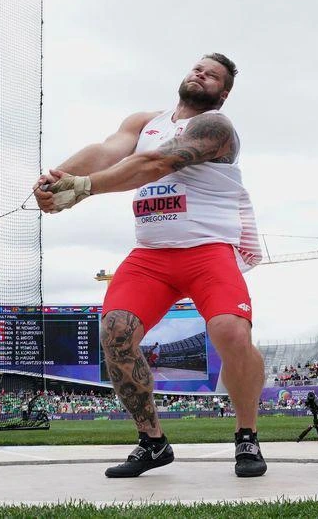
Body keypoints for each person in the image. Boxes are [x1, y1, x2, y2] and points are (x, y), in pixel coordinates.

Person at [34, 53, 266, 478]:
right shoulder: (144, 122)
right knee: (116, 331)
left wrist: (82, 188)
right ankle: (153, 442)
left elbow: (155, 164)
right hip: (151, 254)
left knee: (231, 331)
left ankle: (246, 434)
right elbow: (106, 153)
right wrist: (57, 177)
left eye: (211, 74)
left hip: (207, 248)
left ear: (223, 93)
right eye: (197, 67)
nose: (200, 74)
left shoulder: (216, 128)